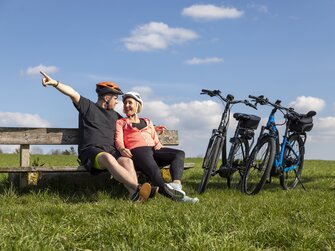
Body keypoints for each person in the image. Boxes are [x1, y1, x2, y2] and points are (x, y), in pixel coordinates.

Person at [40, 71, 152, 202]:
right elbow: (72, 93)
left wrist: (152, 128)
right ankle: (138, 188)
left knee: (126, 160)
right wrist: (55, 83)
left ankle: (136, 197)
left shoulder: (116, 116)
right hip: (91, 152)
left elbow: (133, 126)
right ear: (106, 98)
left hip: (110, 150)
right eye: (115, 98)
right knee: (107, 157)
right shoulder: (88, 107)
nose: (117, 103)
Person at [115, 91, 199, 203]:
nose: (126, 105)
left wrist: (158, 142)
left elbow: (154, 137)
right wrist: (121, 148)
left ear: (137, 105)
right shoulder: (121, 122)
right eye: (125, 103)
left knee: (179, 154)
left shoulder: (148, 121)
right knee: (155, 171)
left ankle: (176, 185)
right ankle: (179, 198)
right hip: (138, 151)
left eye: (130, 103)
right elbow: (118, 139)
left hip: (154, 149)